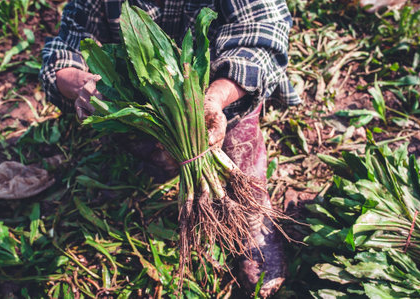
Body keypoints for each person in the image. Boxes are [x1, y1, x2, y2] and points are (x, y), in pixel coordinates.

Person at [40, 0, 301, 296]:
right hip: (143, 112)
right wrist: (82, 85)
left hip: (223, 99)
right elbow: (64, 52)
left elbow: (264, 36)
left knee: (241, 124)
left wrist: (215, 98)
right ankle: (159, 174)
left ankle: (252, 215)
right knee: (147, 156)